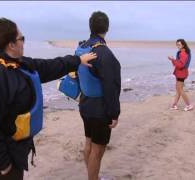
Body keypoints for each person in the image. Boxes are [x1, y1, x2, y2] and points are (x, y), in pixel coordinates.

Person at [0, 17, 97, 180]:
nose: (23, 43)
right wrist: (3, 164)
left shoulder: (16, 63)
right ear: (11, 44)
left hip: (10, 153)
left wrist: (77, 60)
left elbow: (48, 66)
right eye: (22, 39)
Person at [77, 11, 121, 180]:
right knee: (98, 149)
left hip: (85, 103)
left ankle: (92, 176)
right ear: (107, 28)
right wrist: (114, 113)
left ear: (91, 27)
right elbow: (111, 87)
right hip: (99, 108)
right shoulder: (104, 53)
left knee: (88, 142)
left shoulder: (82, 47)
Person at [168, 39, 194, 111]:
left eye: (179, 44)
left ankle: (189, 105)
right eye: (177, 44)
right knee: (178, 89)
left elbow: (181, 65)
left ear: (183, 45)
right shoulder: (181, 52)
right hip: (179, 72)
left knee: (180, 89)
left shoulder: (183, 53)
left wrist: (172, 59)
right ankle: (174, 105)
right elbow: (176, 64)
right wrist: (173, 60)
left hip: (181, 73)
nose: (178, 46)